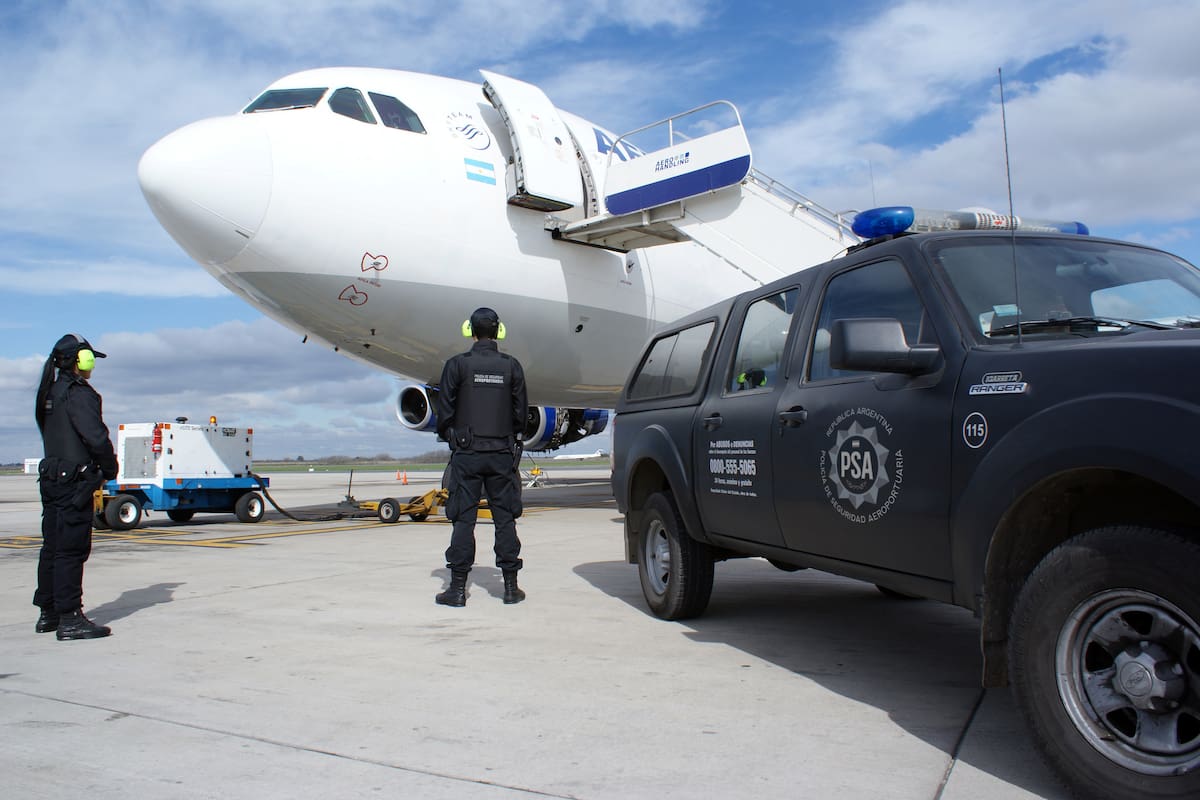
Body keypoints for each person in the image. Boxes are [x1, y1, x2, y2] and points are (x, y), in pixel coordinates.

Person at [434, 307, 528, 607]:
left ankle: (458, 590)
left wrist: (451, 435)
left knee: (463, 519)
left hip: (467, 453)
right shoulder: (512, 366)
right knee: (505, 519)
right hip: (501, 453)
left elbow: (445, 410)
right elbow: (521, 413)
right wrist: (509, 436)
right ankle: (511, 588)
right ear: (499, 331)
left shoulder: (456, 365)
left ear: (470, 330)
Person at [33, 333, 119, 640]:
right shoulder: (80, 394)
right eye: (90, 358)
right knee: (71, 550)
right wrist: (109, 467)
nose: (92, 364)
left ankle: (49, 613)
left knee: (52, 548)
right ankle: (70, 618)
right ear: (80, 361)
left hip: (52, 477)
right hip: (75, 482)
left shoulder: (48, 393)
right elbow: (96, 437)